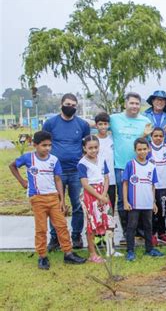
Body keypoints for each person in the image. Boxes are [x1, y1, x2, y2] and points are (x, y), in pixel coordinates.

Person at [9, 131, 86, 269]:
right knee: (41, 229)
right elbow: (12, 165)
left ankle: (68, 253)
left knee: (61, 226)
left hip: (53, 198)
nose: (47, 148)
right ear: (35, 145)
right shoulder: (28, 158)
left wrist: (61, 199)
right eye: (44, 145)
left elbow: (58, 179)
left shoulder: (54, 160)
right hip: (37, 198)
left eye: (50, 145)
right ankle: (42, 256)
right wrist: (22, 181)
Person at [43, 93, 90, 251]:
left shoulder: (82, 124)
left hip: (76, 172)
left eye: (73, 105)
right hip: (56, 173)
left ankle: (76, 236)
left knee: (77, 205)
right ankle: (55, 237)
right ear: (61, 104)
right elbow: (45, 144)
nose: (70, 107)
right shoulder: (50, 123)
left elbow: (87, 145)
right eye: (68, 104)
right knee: (55, 206)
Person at [109, 92, 153, 243]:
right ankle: (126, 232)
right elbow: (98, 125)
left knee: (140, 199)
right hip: (121, 165)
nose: (134, 106)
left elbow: (146, 142)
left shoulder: (145, 121)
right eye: (131, 103)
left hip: (139, 166)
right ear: (125, 104)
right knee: (123, 200)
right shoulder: (114, 119)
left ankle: (139, 232)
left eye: (137, 103)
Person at [123, 138, 164, 261]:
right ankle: (130, 251)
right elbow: (125, 183)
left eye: (144, 149)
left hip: (147, 203)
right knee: (132, 227)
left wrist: (153, 202)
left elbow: (152, 186)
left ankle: (149, 249)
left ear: (149, 149)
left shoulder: (152, 166)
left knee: (148, 226)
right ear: (135, 150)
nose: (142, 152)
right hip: (134, 204)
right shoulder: (130, 164)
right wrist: (125, 201)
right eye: (139, 149)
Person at [77, 135, 116, 262]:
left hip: (103, 193)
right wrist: (98, 196)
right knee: (92, 224)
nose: (93, 150)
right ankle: (92, 253)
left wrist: (104, 195)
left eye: (96, 147)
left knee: (109, 221)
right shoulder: (82, 164)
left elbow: (106, 177)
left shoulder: (102, 159)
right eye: (90, 148)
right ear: (84, 148)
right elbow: (85, 184)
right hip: (91, 195)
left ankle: (110, 249)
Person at [94, 112, 117, 248]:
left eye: (105, 124)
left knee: (109, 211)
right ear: (96, 125)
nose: (103, 126)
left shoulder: (112, 139)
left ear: (109, 125)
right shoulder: (91, 139)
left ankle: (110, 240)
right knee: (97, 211)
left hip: (111, 180)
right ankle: (98, 237)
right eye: (100, 124)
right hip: (96, 182)